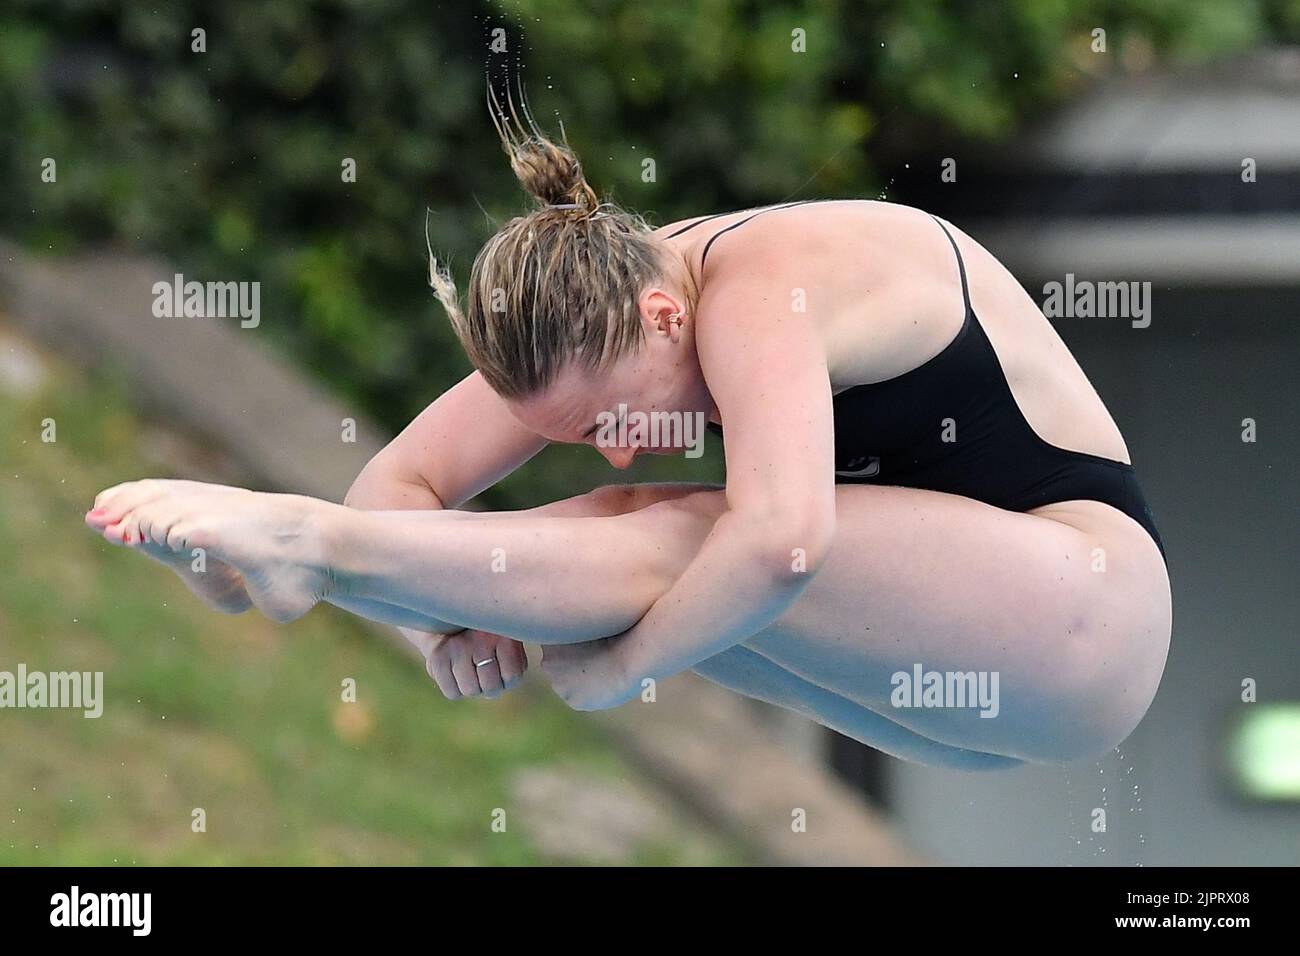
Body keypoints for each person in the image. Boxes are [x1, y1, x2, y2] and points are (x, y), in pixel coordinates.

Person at [85, 95, 1170, 770]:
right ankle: (295, 570)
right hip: (951, 691)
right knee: (602, 568)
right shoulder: (595, 309)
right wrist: (444, 630)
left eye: (605, 415)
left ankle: (303, 549)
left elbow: (787, 538)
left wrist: (634, 670)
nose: (612, 442)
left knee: (662, 533)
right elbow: (406, 479)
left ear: (663, 314)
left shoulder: (762, 286)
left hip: (1085, 616)